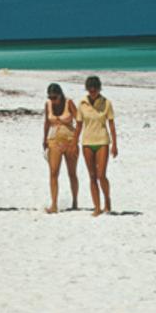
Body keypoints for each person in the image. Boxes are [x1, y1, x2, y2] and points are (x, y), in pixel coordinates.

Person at [75, 75, 118, 216]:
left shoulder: (106, 103)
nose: (93, 91)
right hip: (87, 142)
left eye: (95, 89)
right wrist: (74, 143)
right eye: (90, 89)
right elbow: (79, 125)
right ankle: (97, 207)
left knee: (101, 175)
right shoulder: (81, 104)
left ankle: (107, 199)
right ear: (87, 89)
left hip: (102, 141)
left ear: (99, 88)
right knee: (92, 176)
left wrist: (114, 145)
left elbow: (111, 125)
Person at [42, 82, 79, 213]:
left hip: (70, 140)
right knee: (53, 172)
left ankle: (75, 201)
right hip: (53, 140)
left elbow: (79, 121)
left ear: (60, 95)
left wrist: (75, 141)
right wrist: (44, 139)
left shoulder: (69, 103)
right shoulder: (48, 105)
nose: (53, 100)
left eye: (55, 97)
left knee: (72, 173)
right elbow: (47, 122)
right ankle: (54, 204)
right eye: (50, 98)